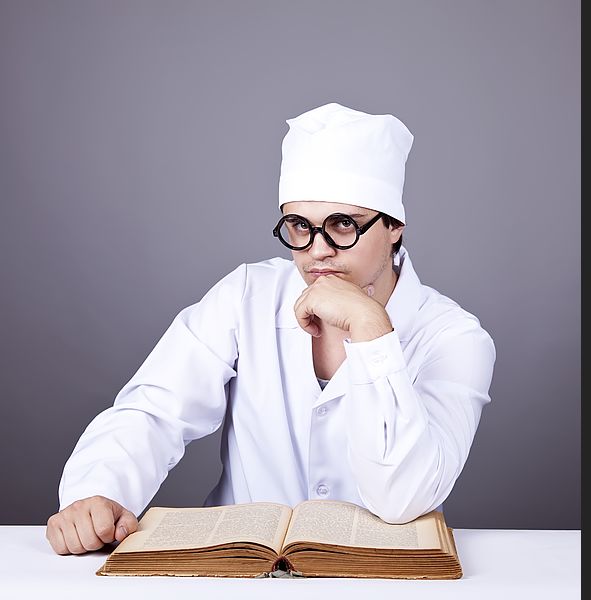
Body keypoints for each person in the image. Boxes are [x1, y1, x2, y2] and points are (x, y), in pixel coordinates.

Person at [46, 102, 496, 555]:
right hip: (236, 571)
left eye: (343, 225)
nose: (318, 251)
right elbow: (154, 410)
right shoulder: (247, 295)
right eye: (299, 225)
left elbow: (405, 498)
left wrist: (371, 330)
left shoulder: (455, 339)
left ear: (394, 226)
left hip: (374, 581)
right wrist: (98, 492)